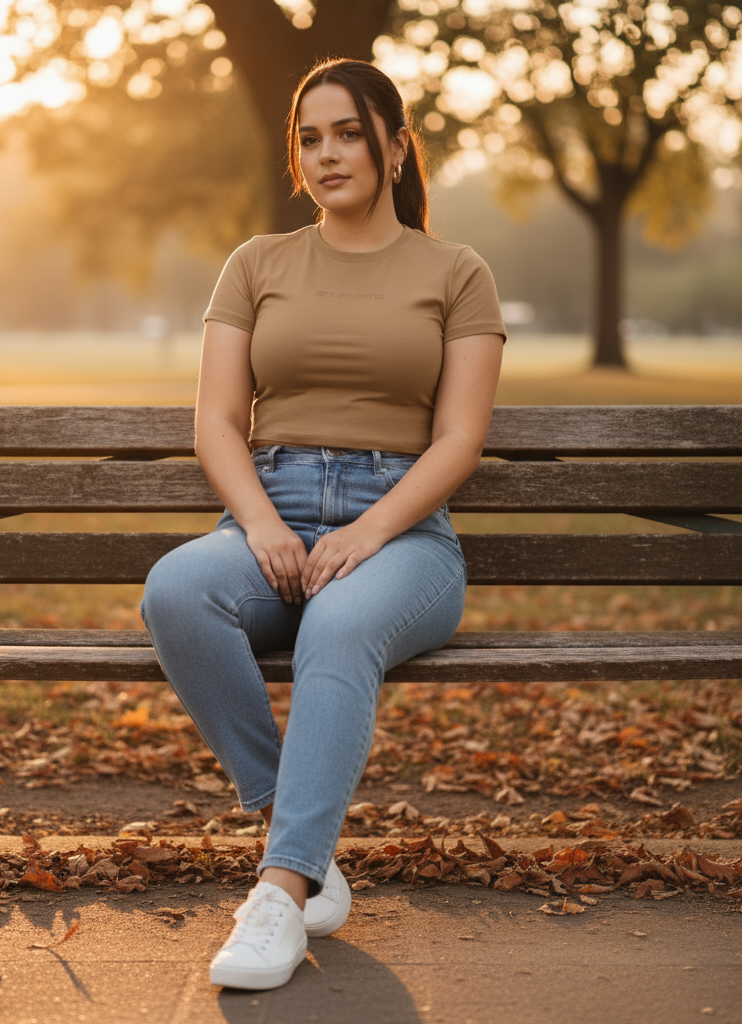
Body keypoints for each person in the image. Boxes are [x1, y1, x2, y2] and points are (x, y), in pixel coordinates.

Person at [140, 57, 505, 991]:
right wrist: (260, 525)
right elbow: (217, 422)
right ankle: (293, 828)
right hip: (274, 507)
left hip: (405, 535)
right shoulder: (256, 263)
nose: (328, 153)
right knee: (177, 590)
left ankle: (280, 888)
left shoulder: (456, 272)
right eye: (311, 137)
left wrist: (371, 531)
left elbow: (460, 439)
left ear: (394, 146)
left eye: (349, 133)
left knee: (340, 625)